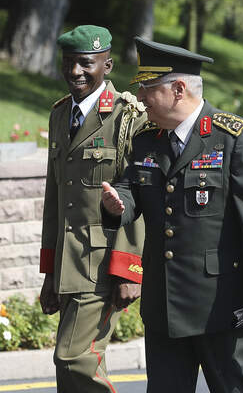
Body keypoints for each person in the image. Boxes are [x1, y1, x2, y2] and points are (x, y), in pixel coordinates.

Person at [101, 36, 243, 393]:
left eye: (148, 88)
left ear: (178, 89)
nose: (140, 99)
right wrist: (117, 204)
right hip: (163, 305)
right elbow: (131, 189)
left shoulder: (236, 138)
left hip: (221, 305)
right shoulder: (147, 139)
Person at [39, 26, 147, 393]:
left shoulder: (127, 116)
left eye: (86, 63)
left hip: (103, 264)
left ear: (108, 65)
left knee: (76, 357)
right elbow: (55, 198)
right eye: (68, 63)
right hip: (68, 263)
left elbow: (138, 197)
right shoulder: (59, 115)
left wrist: (130, 270)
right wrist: (49, 272)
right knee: (67, 373)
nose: (75, 72)